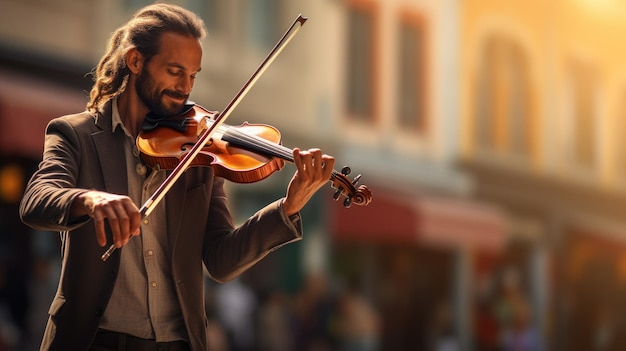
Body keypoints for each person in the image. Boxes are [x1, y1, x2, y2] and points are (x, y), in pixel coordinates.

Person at [19, 3, 335, 351]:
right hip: (94, 341)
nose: (186, 87)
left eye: (193, 75)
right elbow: (37, 199)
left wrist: (288, 207)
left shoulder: (200, 151)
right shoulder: (75, 134)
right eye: (174, 71)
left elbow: (221, 261)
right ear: (136, 61)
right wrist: (90, 199)